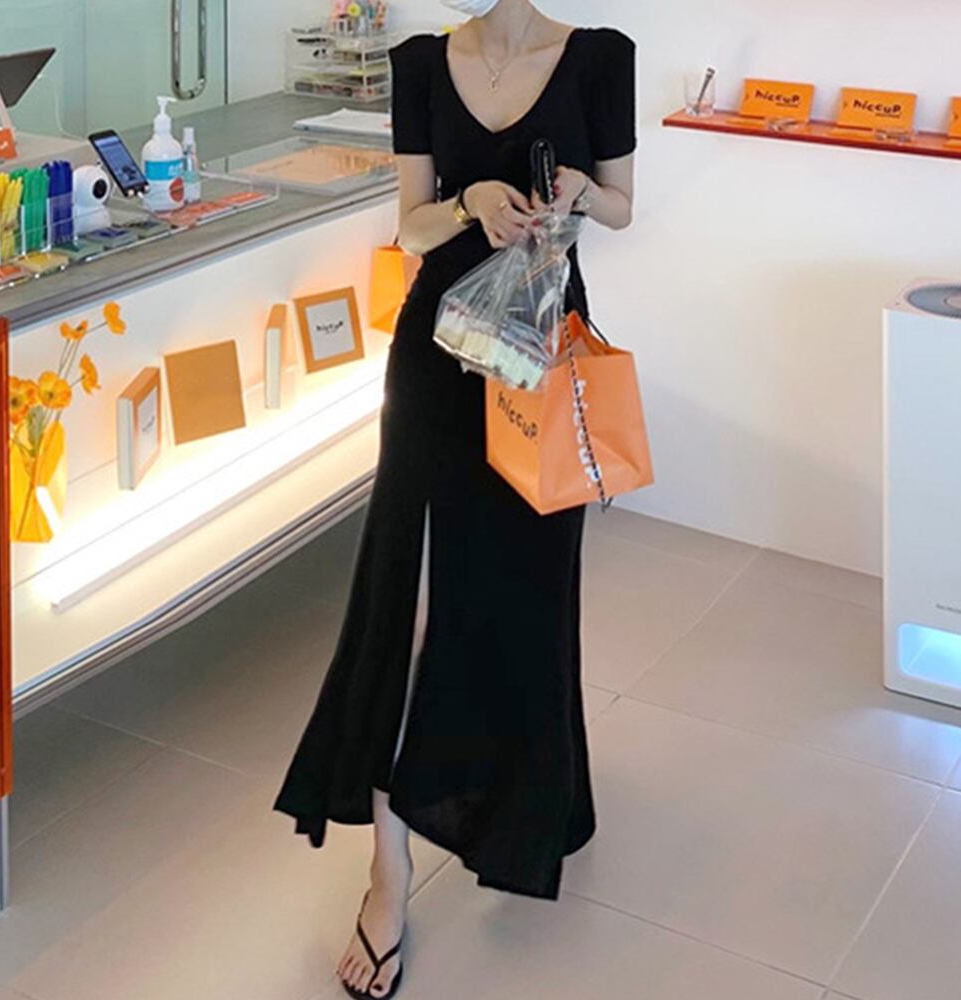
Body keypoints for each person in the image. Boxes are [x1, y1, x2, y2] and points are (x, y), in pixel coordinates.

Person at [273, 0, 636, 996]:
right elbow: (410, 225)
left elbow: (621, 206)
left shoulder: (599, 58)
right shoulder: (421, 62)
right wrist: (470, 200)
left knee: (526, 588)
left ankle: (527, 798)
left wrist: (576, 192)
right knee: (411, 596)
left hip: (540, 347)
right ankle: (386, 872)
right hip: (436, 358)